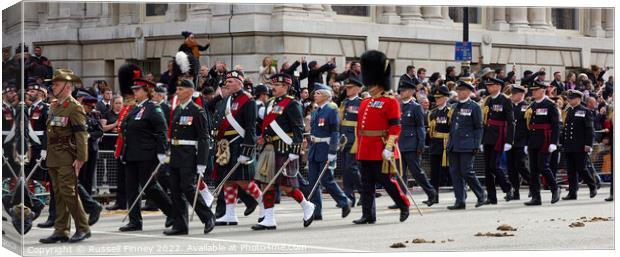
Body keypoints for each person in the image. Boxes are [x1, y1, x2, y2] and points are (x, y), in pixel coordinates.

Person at [353, 50, 410, 225]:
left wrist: (389, 147)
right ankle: (368, 215)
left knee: (387, 181)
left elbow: (395, 126)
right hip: (365, 148)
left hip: (380, 147)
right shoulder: (365, 102)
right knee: (366, 184)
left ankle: (403, 205)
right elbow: (360, 128)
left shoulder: (390, 101)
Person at [253, 73, 315, 230]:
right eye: (273, 85)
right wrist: (263, 137)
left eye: (277, 85)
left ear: (286, 86)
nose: (273, 87)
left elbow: (298, 128)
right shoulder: (270, 103)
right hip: (269, 147)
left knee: (286, 185)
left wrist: (295, 149)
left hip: (284, 148)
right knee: (267, 183)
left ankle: (307, 206)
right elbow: (268, 125)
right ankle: (268, 218)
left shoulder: (292, 103)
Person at [118, 76, 178, 232]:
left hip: (146, 154)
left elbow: (162, 130)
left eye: (137, 90)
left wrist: (161, 152)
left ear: (147, 91)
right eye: (134, 90)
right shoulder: (136, 108)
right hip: (131, 154)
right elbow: (125, 126)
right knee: (131, 188)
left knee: (150, 186)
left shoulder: (153, 107)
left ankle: (172, 211)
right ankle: (135, 221)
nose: (134, 92)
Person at [39, 69, 91, 243]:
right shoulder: (55, 106)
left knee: (69, 192)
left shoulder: (74, 107)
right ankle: (61, 230)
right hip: (54, 156)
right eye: (53, 83)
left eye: (57, 84)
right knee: (58, 193)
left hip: (67, 157)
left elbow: (81, 134)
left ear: (67, 87)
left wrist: (81, 158)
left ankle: (83, 227)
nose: (53, 86)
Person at [162, 79, 216, 235]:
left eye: (180, 89)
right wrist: (168, 153)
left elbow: (204, 138)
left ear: (190, 91)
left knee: (188, 188)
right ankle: (180, 225)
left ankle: (207, 217)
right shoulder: (178, 110)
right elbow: (174, 135)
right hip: (176, 155)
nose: (177, 92)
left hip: (189, 155)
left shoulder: (197, 111)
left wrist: (202, 162)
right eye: (177, 88)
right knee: (175, 190)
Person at [211, 70, 262, 226]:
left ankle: (265, 206)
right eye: (226, 82)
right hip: (226, 146)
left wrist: (247, 150)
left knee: (244, 181)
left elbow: (250, 127)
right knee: (229, 181)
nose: (227, 84)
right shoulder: (226, 101)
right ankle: (230, 214)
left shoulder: (248, 100)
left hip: (240, 144)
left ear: (240, 82)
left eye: (230, 81)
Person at [307, 83, 351, 220]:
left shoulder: (331, 110)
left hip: (326, 148)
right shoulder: (316, 111)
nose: (315, 95)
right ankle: (316, 211)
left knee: (326, 179)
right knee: (313, 181)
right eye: (315, 93)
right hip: (314, 148)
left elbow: (335, 132)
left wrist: (332, 151)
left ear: (326, 95)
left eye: (318, 93)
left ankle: (344, 201)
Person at [392, 80, 436, 208]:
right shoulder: (399, 106)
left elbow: (420, 127)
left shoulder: (416, 107)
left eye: (404, 90)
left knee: (416, 172)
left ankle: (431, 193)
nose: (401, 92)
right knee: (400, 173)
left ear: (411, 92)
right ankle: (401, 199)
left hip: (412, 144)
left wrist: (421, 144)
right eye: (400, 90)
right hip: (399, 144)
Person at [445, 80, 487, 210]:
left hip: (467, 144)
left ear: (468, 92)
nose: (459, 93)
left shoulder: (474, 107)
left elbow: (479, 127)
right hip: (454, 144)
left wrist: (476, 144)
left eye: (462, 91)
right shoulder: (454, 106)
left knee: (466, 171)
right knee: (455, 173)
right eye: (458, 90)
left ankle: (481, 194)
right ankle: (460, 200)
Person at [523, 80, 561, 206]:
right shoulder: (532, 106)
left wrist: (554, 142)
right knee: (533, 170)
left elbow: (555, 125)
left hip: (545, 140)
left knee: (543, 166)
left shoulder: (550, 105)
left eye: (536, 90)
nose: (533, 92)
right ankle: (536, 197)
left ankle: (555, 188)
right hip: (533, 140)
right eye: (532, 90)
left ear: (543, 90)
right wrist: (526, 143)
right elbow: (529, 126)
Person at [481, 77, 515, 204]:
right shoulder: (488, 100)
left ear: (498, 87)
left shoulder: (505, 100)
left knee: (494, 166)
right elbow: (484, 121)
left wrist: (509, 140)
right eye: (488, 85)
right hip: (488, 136)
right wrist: (481, 140)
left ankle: (507, 187)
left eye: (491, 85)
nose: (488, 87)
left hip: (499, 136)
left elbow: (511, 122)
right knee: (487, 169)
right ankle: (491, 197)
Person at [561, 89, 597, 200]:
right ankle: (572, 193)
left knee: (582, 168)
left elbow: (589, 129)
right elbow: (566, 129)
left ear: (578, 99)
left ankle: (592, 186)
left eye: (571, 99)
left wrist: (588, 144)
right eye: (569, 99)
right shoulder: (569, 111)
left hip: (580, 145)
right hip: (569, 145)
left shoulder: (585, 111)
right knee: (571, 170)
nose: (569, 100)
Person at [339, 77, 363, 207]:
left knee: (351, 167)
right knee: (345, 169)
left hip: (355, 138)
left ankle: (363, 192)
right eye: (347, 88)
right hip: (344, 138)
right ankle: (349, 197)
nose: (347, 90)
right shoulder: (345, 103)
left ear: (358, 89)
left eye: (350, 88)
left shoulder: (362, 103)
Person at [427, 85, 452, 204]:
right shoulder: (433, 113)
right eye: (436, 98)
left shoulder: (450, 112)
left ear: (446, 98)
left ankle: (461, 194)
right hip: (435, 144)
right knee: (434, 172)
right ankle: (433, 196)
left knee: (451, 170)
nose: (437, 100)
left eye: (440, 97)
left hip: (446, 144)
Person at [507, 85, 531, 200]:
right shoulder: (510, 106)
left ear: (521, 95)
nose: (512, 96)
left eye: (514, 94)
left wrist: (527, 143)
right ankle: (515, 191)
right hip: (510, 141)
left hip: (521, 141)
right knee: (511, 168)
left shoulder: (527, 107)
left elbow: (529, 127)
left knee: (521, 166)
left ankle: (533, 185)